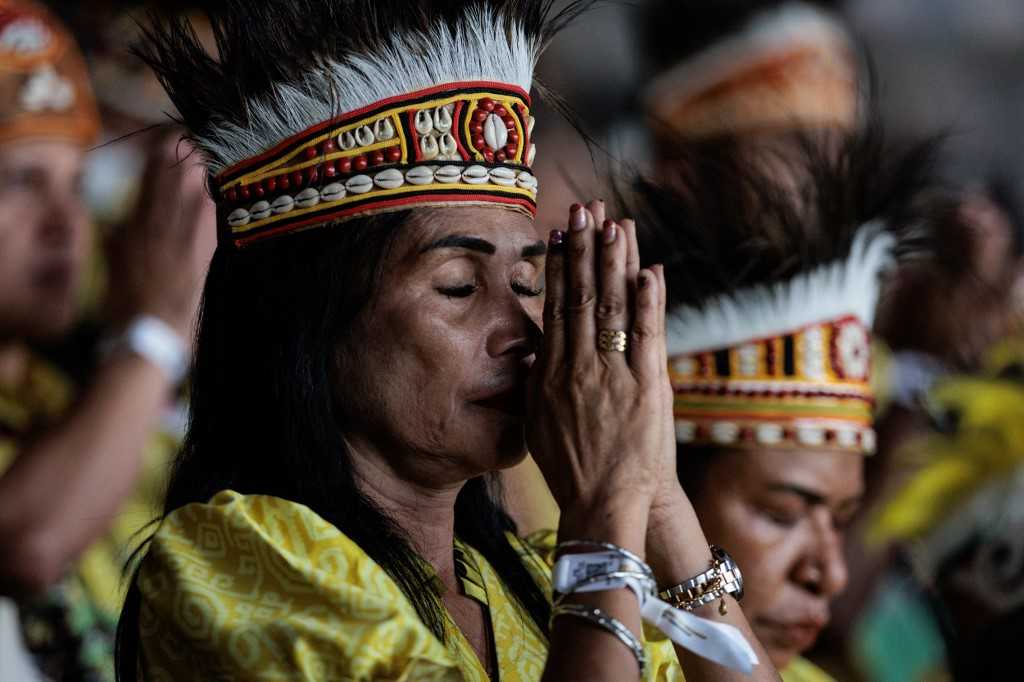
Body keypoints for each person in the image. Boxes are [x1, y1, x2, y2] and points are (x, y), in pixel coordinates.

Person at [114, 1, 779, 680]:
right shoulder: (226, 561)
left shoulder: (543, 576)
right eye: (458, 287)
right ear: (310, 323)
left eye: (525, 285)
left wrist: (657, 493)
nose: (521, 333)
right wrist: (607, 507)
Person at [626, 123, 950, 681]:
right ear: (664, 480)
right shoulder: (555, 639)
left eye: (842, 519)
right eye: (781, 515)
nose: (830, 573)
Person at [0, 1, 213, 678]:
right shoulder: (121, 375)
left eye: (76, 182)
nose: (67, 222)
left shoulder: (64, 399)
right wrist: (155, 330)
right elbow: (28, 542)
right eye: (21, 181)